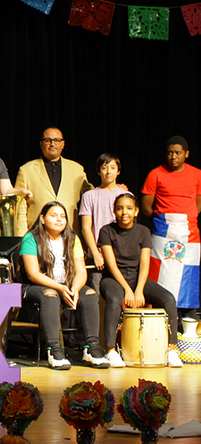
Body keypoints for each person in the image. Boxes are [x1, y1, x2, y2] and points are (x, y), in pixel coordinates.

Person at [18, 202, 109, 370]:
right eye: (53, 216)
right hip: (34, 286)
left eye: (62, 216)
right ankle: (54, 350)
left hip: (65, 285)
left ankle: (91, 348)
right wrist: (59, 288)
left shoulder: (73, 239)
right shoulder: (31, 238)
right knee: (50, 295)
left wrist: (75, 287)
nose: (59, 220)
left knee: (90, 294)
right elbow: (33, 274)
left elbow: (81, 271)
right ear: (43, 219)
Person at [99, 193, 181, 368]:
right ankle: (111, 350)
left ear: (136, 211)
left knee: (168, 299)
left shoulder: (143, 231)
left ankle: (172, 350)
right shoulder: (106, 231)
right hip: (113, 278)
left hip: (137, 278)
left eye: (129, 208)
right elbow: (111, 265)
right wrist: (128, 291)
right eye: (120, 208)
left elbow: (144, 264)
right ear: (114, 211)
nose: (124, 212)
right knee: (114, 299)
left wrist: (138, 290)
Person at [141, 135, 201, 311]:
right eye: (169, 153)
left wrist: (185, 218)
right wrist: (164, 222)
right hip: (163, 231)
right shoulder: (155, 174)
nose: (173, 156)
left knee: (188, 275)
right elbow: (146, 207)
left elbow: (198, 203)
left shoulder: (197, 174)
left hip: (189, 233)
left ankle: (187, 317)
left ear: (186, 154)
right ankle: (158, 314)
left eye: (177, 153)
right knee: (160, 274)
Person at [14, 127, 92, 236]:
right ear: (41, 144)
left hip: (68, 234)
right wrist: (22, 236)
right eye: (48, 140)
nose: (52, 144)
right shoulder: (26, 170)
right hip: (37, 235)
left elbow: (91, 197)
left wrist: (111, 187)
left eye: (57, 140)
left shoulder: (77, 169)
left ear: (63, 144)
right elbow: (20, 206)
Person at [79, 154, 126, 290]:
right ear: (99, 171)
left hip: (120, 256)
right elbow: (86, 228)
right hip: (98, 257)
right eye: (104, 168)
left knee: (120, 294)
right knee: (96, 293)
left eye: (113, 168)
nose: (108, 172)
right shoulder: (89, 196)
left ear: (118, 171)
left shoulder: (126, 196)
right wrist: (95, 254)